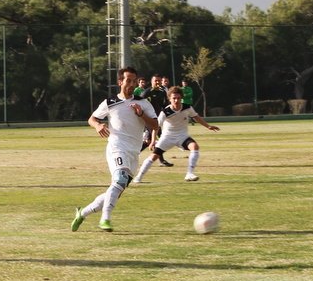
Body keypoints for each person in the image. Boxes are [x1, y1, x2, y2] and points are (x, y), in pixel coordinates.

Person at [71, 67, 159, 232]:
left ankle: (82, 213)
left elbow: (155, 125)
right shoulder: (110, 102)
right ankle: (105, 219)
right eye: (128, 80)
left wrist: (141, 115)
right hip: (116, 147)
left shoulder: (143, 102)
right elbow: (92, 118)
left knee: (115, 191)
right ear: (120, 82)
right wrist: (97, 125)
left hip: (134, 153)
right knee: (119, 181)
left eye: (134, 80)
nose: (132, 84)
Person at [134, 86, 220, 182]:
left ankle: (189, 174)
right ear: (169, 99)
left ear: (181, 98)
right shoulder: (165, 112)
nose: (176, 100)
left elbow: (196, 117)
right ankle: (138, 177)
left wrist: (208, 126)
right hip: (167, 137)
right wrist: (153, 141)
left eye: (178, 98)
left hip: (182, 136)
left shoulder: (187, 107)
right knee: (154, 156)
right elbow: (156, 127)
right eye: (174, 98)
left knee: (194, 147)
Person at [141, 74, 173, 167]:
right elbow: (139, 104)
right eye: (156, 81)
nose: (158, 82)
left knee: (150, 141)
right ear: (152, 82)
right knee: (157, 139)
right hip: (148, 120)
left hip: (158, 120)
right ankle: (162, 160)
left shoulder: (162, 92)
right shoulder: (146, 93)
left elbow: (164, 105)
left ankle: (134, 155)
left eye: (159, 80)